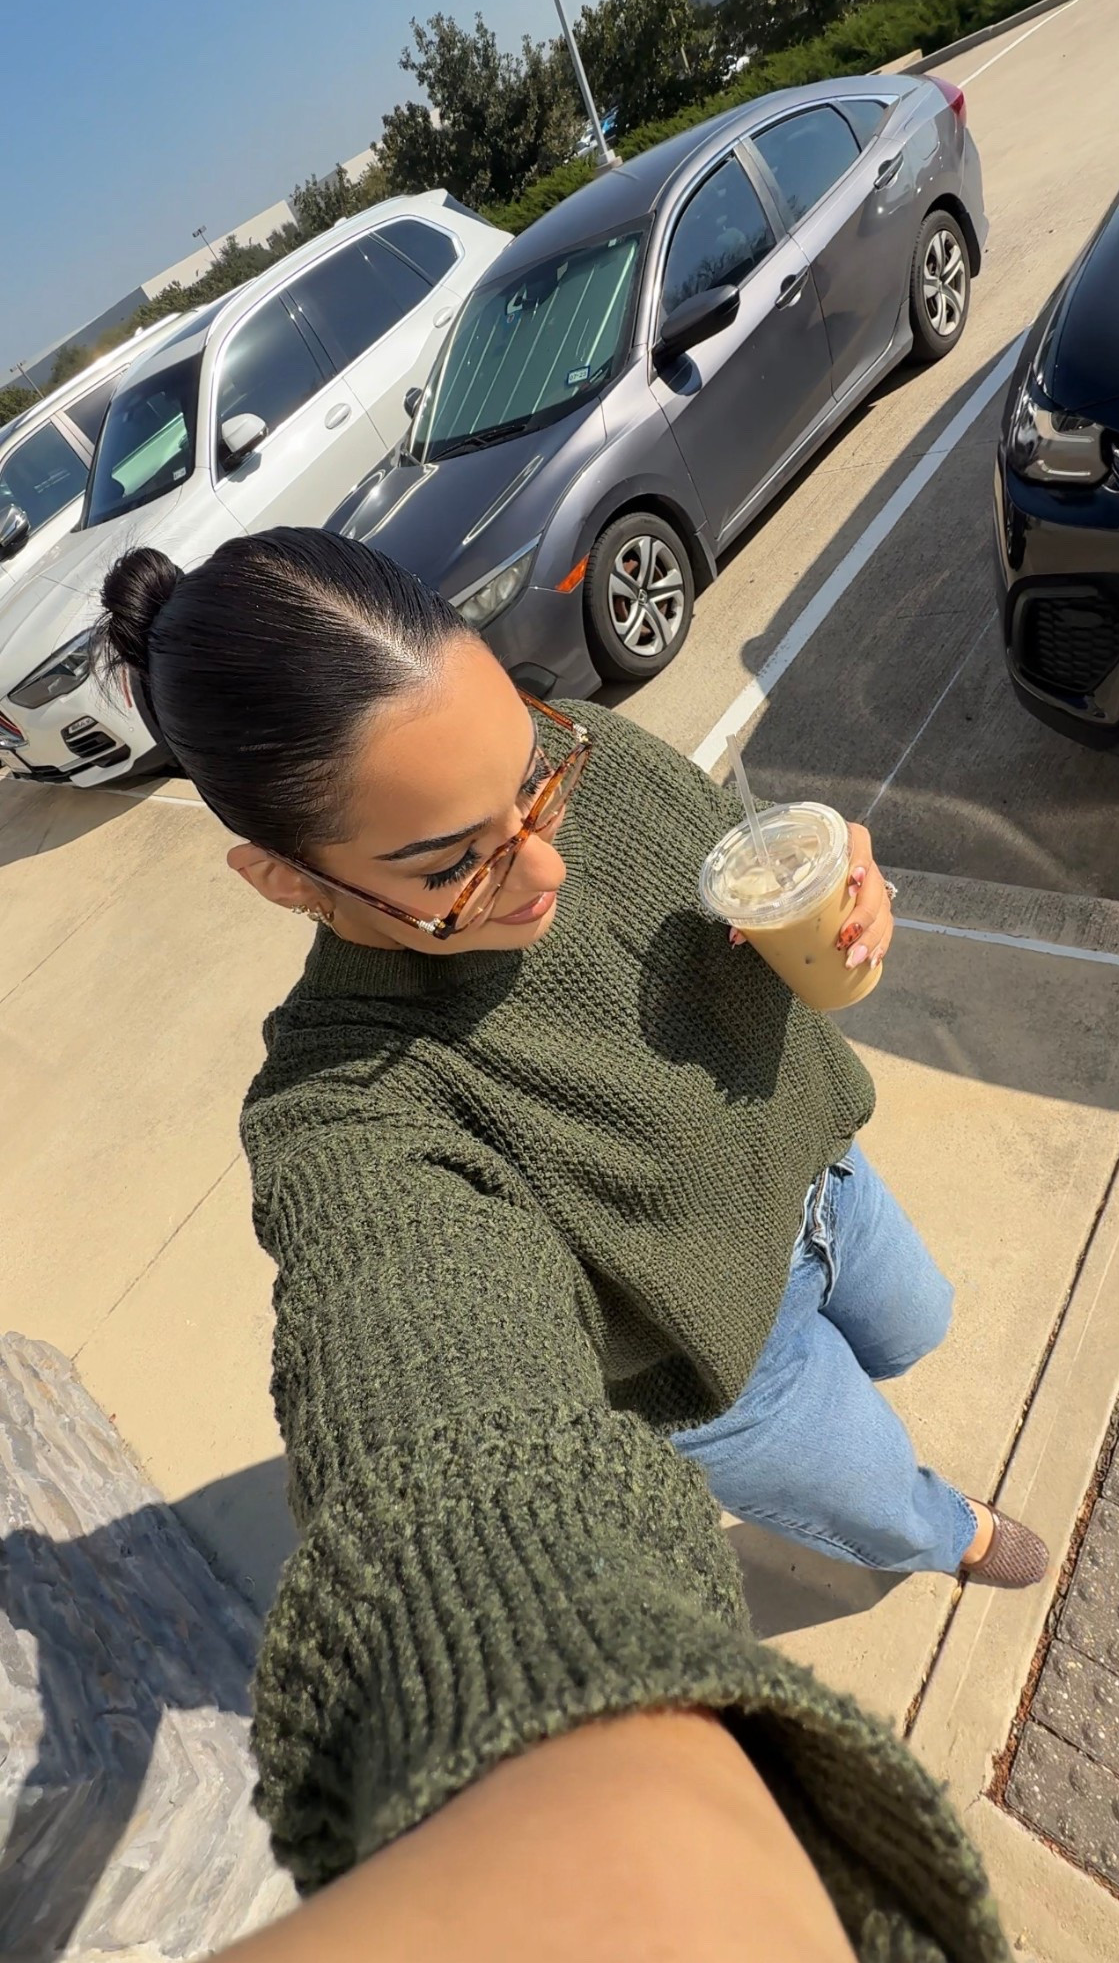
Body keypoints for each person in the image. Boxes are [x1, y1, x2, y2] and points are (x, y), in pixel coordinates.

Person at [94, 529, 1035, 1963]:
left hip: (827, 1180)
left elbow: (736, 887)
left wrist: (841, 901)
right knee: (884, 1497)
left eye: (532, 779)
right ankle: (944, 1532)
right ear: (285, 880)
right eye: (452, 863)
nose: (541, 864)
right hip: (719, 1372)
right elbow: (433, 1425)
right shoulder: (353, 1107)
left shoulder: (584, 759)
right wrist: (561, 1745)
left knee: (921, 1328)